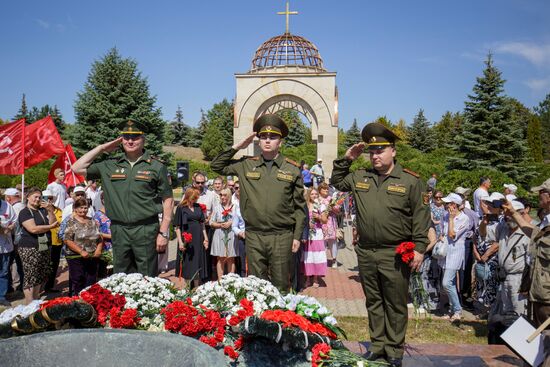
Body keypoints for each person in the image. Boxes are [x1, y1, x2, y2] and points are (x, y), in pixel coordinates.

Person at [330, 122, 430, 367]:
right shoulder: (361, 177)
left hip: (395, 252)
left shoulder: (409, 181)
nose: (375, 156)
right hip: (365, 251)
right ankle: (377, 346)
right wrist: (347, 158)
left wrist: (419, 249)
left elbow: (421, 217)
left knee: (395, 303)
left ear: (393, 151)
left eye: (380, 150)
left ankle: (394, 350)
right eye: (372, 152)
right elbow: (337, 181)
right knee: (373, 301)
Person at [211, 114, 306, 291]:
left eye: (273, 137)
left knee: (281, 285)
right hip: (254, 235)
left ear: (281, 141)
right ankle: (259, 319)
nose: (267, 141)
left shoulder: (292, 169)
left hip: (281, 236)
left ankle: (280, 318)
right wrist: (238, 146)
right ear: (258, 141)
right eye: (263, 137)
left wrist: (297, 236)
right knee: (256, 287)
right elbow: (217, 166)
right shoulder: (246, 164)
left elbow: (300, 208)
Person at [72, 120, 174, 277]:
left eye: (135, 137)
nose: (130, 141)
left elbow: (168, 199)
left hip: (146, 229)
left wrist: (164, 232)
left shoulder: (156, 166)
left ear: (143, 139)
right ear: (120, 140)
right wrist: (102, 148)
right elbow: (76, 167)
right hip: (119, 230)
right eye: (126, 137)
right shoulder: (109, 165)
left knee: (147, 276)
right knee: (121, 276)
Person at [503, 178, 550, 330]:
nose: (538, 196)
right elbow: (532, 232)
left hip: (548, 298)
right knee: (540, 343)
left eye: (541, 192)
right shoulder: (545, 221)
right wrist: (513, 212)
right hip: (538, 294)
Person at [17, 187, 57, 304]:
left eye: (39, 197)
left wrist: (50, 211)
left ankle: (36, 300)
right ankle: (30, 303)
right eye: (35, 196)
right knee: (31, 275)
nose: (38, 199)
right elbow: (33, 229)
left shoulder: (42, 210)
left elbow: (52, 222)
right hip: (29, 247)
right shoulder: (24, 212)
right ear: (28, 197)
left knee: (40, 274)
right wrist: (50, 227)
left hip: (43, 246)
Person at [494, 200, 529, 316]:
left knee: (519, 311)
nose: (507, 217)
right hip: (504, 277)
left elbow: (531, 262)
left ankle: (522, 334)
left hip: (518, 279)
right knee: (506, 310)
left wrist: (526, 285)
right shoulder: (503, 229)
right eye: (506, 214)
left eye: (510, 214)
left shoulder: (526, 234)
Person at [439, 193, 470, 321]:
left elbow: (452, 235)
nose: (446, 206)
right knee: (449, 283)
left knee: (446, 283)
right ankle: (452, 310)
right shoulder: (445, 216)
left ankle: (457, 309)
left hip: (455, 253)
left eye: (448, 203)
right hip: (445, 252)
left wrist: (451, 219)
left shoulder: (464, 218)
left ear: (454, 205)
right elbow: (443, 232)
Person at [63, 198, 103, 295]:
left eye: (85, 208)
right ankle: (77, 301)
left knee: (91, 280)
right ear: (75, 209)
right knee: (78, 279)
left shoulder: (92, 221)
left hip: (92, 256)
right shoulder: (71, 222)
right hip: (75, 256)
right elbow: (67, 240)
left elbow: (100, 237)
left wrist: (98, 250)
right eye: (81, 208)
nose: (83, 210)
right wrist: (81, 251)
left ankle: (90, 301)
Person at [174, 188, 208, 289]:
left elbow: (202, 224)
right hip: (186, 239)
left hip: (198, 238)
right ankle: (187, 287)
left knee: (197, 261)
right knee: (188, 262)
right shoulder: (181, 208)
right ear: (188, 197)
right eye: (193, 199)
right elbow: (177, 227)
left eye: (196, 198)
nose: (195, 200)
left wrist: (205, 238)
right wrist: (180, 242)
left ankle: (197, 287)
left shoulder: (198, 207)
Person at [475, 192, 504, 309]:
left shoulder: (503, 221)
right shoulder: (484, 219)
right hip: (482, 258)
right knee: (483, 283)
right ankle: (486, 309)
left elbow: (499, 241)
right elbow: (480, 235)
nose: (490, 206)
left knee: (493, 284)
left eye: (493, 204)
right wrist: (485, 221)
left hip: (494, 259)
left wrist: (487, 255)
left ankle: (492, 310)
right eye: (488, 203)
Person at [302, 188, 328, 288]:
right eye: (312, 194)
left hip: (317, 233)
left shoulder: (321, 205)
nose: (314, 196)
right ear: (309, 195)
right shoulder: (306, 205)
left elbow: (325, 220)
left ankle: (316, 278)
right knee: (307, 255)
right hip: (307, 233)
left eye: (316, 194)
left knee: (317, 256)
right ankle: (308, 278)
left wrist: (318, 217)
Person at [210, 188, 236, 280]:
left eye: (225, 195)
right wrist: (220, 225)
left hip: (231, 234)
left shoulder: (235, 207)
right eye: (221, 195)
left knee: (231, 258)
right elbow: (211, 222)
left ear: (229, 196)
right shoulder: (217, 207)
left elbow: (240, 221)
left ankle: (231, 280)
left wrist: (231, 223)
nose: (222, 197)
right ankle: (220, 281)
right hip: (219, 233)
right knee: (220, 258)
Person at [4, 188, 25, 294]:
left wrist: (16, 242)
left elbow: (16, 227)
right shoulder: (21, 205)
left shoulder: (15, 208)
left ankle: (16, 287)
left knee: (14, 264)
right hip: (20, 238)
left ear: (8, 197)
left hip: (16, 239)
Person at [43, 190, 63, 293]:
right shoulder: (40, 211)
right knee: (43, 265)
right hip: (44, 243)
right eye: (47, 198)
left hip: (57, 242)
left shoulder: (59, 210)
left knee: (54, 265)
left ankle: (49, 286)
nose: (49, 200)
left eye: (51, 198)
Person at [318, 183, 340, 268]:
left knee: (333, 242)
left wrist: (333, 207)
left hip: (330, 222)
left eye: (327, 189)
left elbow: (338, 210)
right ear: (320, 190)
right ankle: (322, 260)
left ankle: (334, 260)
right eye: (324, 189)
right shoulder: (317, 199)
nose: (326, 191)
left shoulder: (331, 199)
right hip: (320, 223)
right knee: (321, 242)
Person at [0, 197, 16, 306]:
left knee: (4, 272)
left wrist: (9, 228)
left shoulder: (7, 206)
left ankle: (1, 296)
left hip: (5, 246)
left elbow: (14, 220)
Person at [93, 192, 112, 279]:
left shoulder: (116, 213)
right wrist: (110, 236)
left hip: (117, 246)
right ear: (102, 200)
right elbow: (96, 232)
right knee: (103, 272)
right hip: (104, 247)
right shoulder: (97, 215)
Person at [231, 182, 246, 277]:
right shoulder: (237, 208)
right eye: (236, 188)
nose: (239, 190)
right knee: (242, 260)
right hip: (242, 237)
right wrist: (240, 233)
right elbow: (234, 226)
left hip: (256, 236)